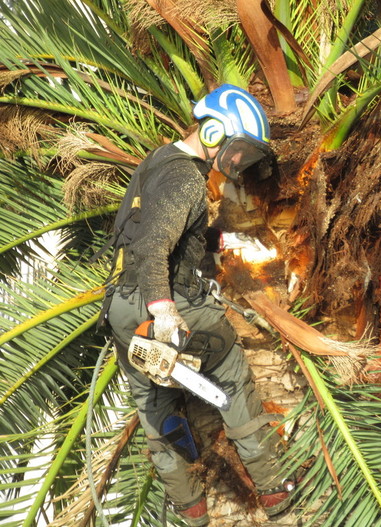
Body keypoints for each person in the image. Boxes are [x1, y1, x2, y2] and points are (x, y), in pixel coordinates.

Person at [99, 84, 294, 526]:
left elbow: (164, 231)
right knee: (230, 373)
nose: (237, 163)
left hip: (121, 309)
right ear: (212, 132)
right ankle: (272, 490)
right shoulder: (186, 175)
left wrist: (222, 238)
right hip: (167, 301)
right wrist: (165, 311)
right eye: (237, 151)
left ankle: (189, 507)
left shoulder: (157, 163)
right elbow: (154, 245)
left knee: (154, 404)